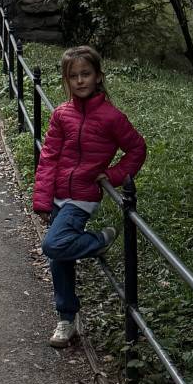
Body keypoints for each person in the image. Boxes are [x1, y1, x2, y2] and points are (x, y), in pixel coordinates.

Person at [32, 45, 147, 348]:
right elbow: (49, 158)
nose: (80, 80)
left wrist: (113, 175)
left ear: (98, 76)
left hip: (81, 198)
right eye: (73, 76)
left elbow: (137, 149)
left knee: (53, 245)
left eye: (86, 74)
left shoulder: (111, 117)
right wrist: (43, 199)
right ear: (66, 80)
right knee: (60, 260)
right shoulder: (61, 115)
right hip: (57, 193)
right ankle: (67, 319)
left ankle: (99, 241)